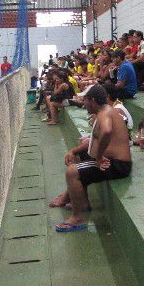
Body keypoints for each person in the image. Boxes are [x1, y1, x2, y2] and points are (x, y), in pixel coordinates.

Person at [53, 85, 132, 232]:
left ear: (92, 100)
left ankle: (77, 219)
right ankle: (83, 202)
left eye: (85, 100)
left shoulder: (104, 114)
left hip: (118, 165)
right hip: (113, 161)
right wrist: (74, 151)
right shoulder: (103, 111)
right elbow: (93, 141)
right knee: (81, 154)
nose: (83, 103)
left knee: (72, 172)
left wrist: (99, 157)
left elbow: (107, 131)